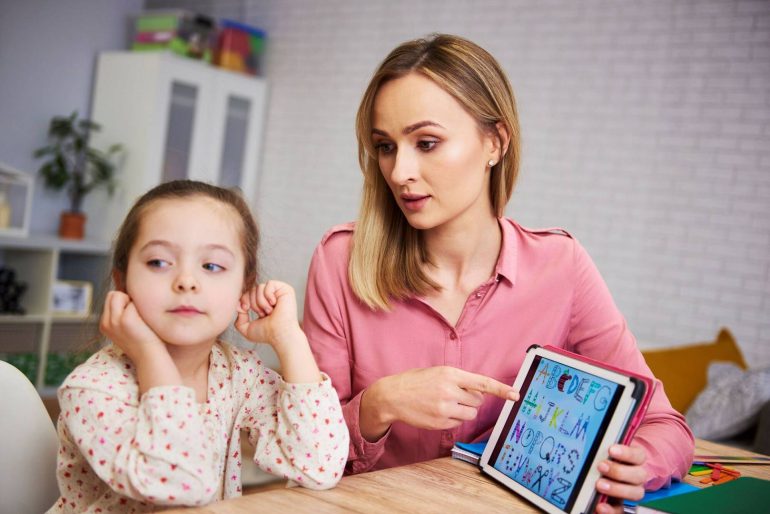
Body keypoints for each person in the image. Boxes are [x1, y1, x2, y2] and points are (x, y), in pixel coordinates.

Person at [303, 34, 694, 513]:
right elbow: (303, 452)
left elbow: (666, 426)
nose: (400, 170)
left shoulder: (561, 266)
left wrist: (636, 464)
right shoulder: (339, 260)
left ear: (495, 142)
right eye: (385, 146)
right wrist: (379, 405)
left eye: (427, 143)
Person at [49, 180, 348, 513]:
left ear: (243, 288)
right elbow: (182, 486)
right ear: (122, 282)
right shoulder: (95, 389)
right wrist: (150, 353)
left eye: (211, 266)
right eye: (159, 263)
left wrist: (289, 337)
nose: (187, 281)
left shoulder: (238, 375)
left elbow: (318, 466)